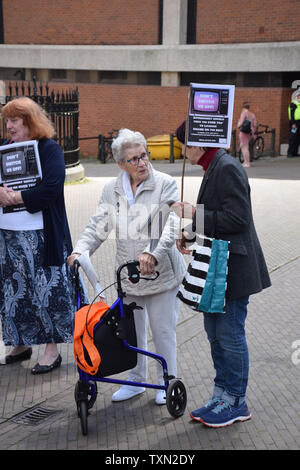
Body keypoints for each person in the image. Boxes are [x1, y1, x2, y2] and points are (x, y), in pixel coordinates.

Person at [67, 128, 186, 405]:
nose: (142, 162)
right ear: (121, 164)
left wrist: (152, 254)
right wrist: (79, 250)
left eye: (143, 155)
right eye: (133, 159)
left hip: (160, 274)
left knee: (163, 331)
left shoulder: (165, 183)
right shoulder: (112, 189)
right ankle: (136, 380)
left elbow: (170, 226)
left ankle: (165, 382)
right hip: (130, 277)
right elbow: (98, 226)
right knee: (131, 333)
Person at [172, 120, 271, 428]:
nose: (183, 151)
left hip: (233, 269)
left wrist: (193, 214)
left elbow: (238, 219)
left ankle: (236, 402)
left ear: (198, 143)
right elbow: (218, 217)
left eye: (184, 145)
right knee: (215, 334)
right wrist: (191, 232)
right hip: (217, 268)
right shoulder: (213, 166)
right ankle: (221, 395)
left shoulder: (226, 167)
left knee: (229, 335)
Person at [0, 97, 88, 374]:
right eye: (7, 120)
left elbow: (52, 188)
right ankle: (20, 343)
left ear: (30, 122)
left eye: (15, 120)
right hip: (9, 236)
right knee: (15, 291)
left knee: (47, 290)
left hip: (42, 236)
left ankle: (52, 350)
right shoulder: (4, 149)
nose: (9, 125)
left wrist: (15, 197)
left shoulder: (49, 149)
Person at [237, 102, 257, 168]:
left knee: (244, 147)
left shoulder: (244, 113)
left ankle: (247, 162)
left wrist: (238, 126)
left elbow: (241, 122)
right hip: (250, 132)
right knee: (246, 146)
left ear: (243, 107)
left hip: (244, 131)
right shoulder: (252, 114)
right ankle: (246, 162)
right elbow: (254, 125)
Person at [287, 89, 300, 158]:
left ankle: (295, 152)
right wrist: (293, 123)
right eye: (299, 96)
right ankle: (290, 153)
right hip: (295, 123)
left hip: (299, 122)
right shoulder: (293, 104)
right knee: (293, 138)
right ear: (296, 96)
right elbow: (291, 115)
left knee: (298, 138)